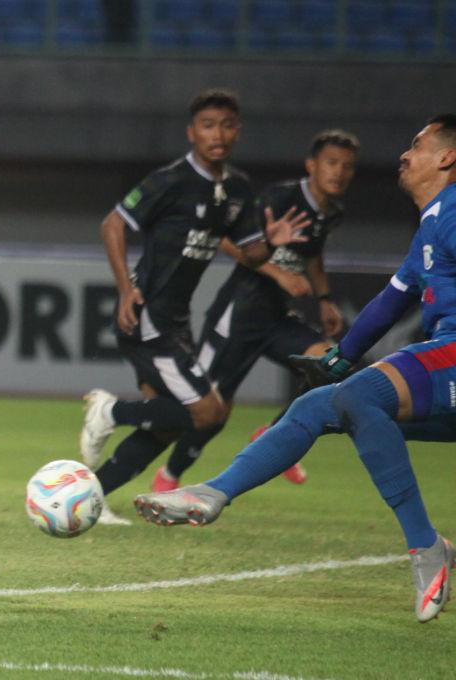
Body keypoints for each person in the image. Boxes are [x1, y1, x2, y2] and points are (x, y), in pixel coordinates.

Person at [134, 115, 456, 623]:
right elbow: (389, 303)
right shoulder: (432, 224)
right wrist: (342, 356)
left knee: (358, 397)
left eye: (416, 144)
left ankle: (426, 547)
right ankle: (215, 491)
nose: (403, 154)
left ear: (446, 156)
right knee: (317, 404)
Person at [78, 89, 310, 525]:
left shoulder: (238, 190)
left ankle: (93, 496)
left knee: (167, 424)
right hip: (147, 317)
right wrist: (125, 289)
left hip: (175, 323)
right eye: (207, 126)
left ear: (237, 131)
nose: (217, 134)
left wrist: (269, 244)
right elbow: (113, 223)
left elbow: (250, 254)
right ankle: (110, 411)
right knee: (207, 412)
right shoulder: (169, 182)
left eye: (226, 125)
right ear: (192, 133)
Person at [151, 130, 360, 492]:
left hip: (276, 318)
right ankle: (168, 476)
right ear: (311, 165)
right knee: (210, 412)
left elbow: (312, 254)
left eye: (347, 166)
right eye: (331, 162)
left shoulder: (332, 213)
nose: (338, 172)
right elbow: (228, 239)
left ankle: (274, 438)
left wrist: (324, 299)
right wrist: (279, 274)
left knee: (331, 364)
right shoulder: (280, 198)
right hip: (238, 313)